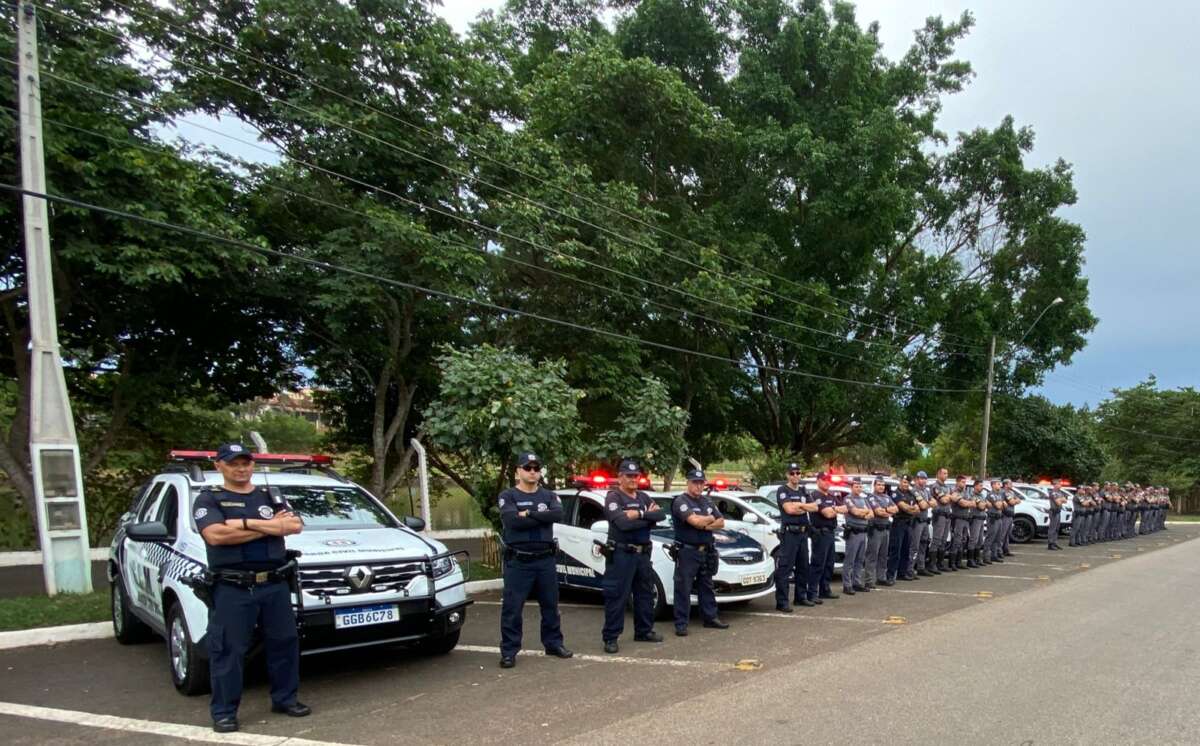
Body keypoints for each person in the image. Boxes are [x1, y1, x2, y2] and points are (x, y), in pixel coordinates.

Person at [192, 443, 308, 734]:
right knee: (228, 651)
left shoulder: (269, 494)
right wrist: (268, 525)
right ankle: (224, 712)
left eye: (246, 463)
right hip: (233, 587)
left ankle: (285, 699)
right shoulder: (209, 498)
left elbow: (294, 526)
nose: (241, 469)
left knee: (284, 643)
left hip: (274, 583)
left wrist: (242, 523)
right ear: (219, 465)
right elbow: (217, 535)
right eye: (233, 464)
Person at [497, 452, 572, 668]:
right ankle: (509, 650)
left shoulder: (549, 496)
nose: (532, 472)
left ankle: (553, 643)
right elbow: (512, 521)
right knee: (513, 608)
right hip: (519, 561)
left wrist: (527, 514)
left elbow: (557, 515)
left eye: (536, 468)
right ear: (517, 471)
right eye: (527, 468)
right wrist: (539, 516)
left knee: (550, 605)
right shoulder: (508, 495)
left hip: (545, 560)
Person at [601, 459, 666, 654]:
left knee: (644, 594)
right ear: (620, 477)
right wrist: (646, 517)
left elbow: (660, 516)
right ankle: (611, 637)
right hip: (622, 554)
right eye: (628, 476)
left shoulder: (644, 496)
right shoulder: (614, 497)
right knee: (617, 596)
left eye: (635, 475)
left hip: (643, 554)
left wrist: (637, 514)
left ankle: (644, 631)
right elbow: (621, 523)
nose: (633, 479)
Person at [671, 469, 730, 635]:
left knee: (707, 586)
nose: (698, 486)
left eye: (701, 483)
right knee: (683, 588)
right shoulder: (681, 501)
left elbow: (721, 522)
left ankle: (710, 618)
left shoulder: (707, 501)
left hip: (706, 550)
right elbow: (694, 521)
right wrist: (708, 519)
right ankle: (681, 624)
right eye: (695, 482)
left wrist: (705, 523)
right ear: (688, 483)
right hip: (687, 551)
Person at [773, 462, 818, 612]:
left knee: (803, 566)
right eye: (792, 473)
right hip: (790, 534)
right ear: (787, 475)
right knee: (785, 568)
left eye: (798, 473)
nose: (795, 476)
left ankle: (800, 597)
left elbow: (815, 507)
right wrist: (802, 506)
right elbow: (789, 510)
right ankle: (782, 602)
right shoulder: (782, 490)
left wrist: (799, 505)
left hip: (803, 533)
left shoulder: (804, 490)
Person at [805, 473, 843, 603]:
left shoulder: (831, 495)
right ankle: (812, 593)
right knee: (818, 564)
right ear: (818, 481)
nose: (827, 482)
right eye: (824, 480)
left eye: (828, 480)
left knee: (829, 563)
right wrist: (834, 510)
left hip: (831, 532)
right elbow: (826, 514)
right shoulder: (814, 496)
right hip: (820, 533)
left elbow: (845, 508)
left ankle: (825, 590)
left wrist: (834, 509)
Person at [864, 479, 896, 589]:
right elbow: (878, 512)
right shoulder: (871, 497)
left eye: (883, 485)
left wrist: (885, 510)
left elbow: (896, 509)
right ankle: (869, 580)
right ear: (874, 486)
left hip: (886, 529)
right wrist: (888, 510)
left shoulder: (887, 497)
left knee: (883, 555)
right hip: (876, 529)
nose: (881, 487)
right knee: (872, 555)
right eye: (879, 485)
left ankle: (881, 578)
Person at [842, 479, 872, 594]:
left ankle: (857, 582)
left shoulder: (863, 499)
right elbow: (855, 512)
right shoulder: (848, 499)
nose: (858, 488)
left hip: (863, 532)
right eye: (856, 486)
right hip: (853, 532)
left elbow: (872, 514)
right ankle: (847, 585)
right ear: (852, 487)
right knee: (850, 560)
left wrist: (863, 513)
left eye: (860, 486)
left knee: (860, 560)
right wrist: (864, 512)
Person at [887, 476, 917, 582]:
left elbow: (917, 509)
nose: (905, 484)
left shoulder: (910, 494)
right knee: (896, 550)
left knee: (906, 549)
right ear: (900, 482)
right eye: (904, 482)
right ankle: (890, 574)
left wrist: (910, 509)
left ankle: (902, 573)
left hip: (908, 524)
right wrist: (910, 508)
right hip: (898, 524)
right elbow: (903, 507)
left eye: (907, 483)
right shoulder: (895, 493)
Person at [909, 472, 939, 576]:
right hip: (917, 522)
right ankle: (910, 568)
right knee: (914, 546)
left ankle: (921, 567)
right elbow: (922, 505)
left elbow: (934, 503)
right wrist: (928, 503)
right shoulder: (914, 491)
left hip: (925, 521)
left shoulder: (926, 491)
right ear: (916, 479)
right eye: (921, 479)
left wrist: (928, 503)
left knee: (924, 544)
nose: (924, 481)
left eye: (925, 479)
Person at [929, 468, 954, 572]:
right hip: (939, 516)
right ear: (938, 474)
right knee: (936, 540)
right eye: (944, 473)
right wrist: (949, 496)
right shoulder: (935, 486)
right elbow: (943, 500)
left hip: (947, 515)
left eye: (947, 473)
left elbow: (954, 498)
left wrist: (948, 497)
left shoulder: (947, 487)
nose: (946, 475)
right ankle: (932, 564)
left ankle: (940, 564)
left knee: (944, 541)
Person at [949, 475, 974, 570]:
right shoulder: (954, 491)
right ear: (957, 482)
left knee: (963, 540)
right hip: (958, 518)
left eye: (965, 482)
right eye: (963, 482)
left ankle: (959, 562)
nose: (965, 484)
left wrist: (967, 503)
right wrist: (967, 503)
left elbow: (973, 503)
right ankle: (952, 563)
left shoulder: (966, 492)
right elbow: (963, 503)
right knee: (956, 540)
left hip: (965, 519)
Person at [967, 477, 989, 567]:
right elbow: (981, 506)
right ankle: (970, 560)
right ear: (975, 486)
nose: (982, 487)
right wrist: (984, 504)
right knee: (974, 539)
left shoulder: (982, 495)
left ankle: (977, 558)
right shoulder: (972, 495)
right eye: (980, 486)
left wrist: (984, 504)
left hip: (981, 519)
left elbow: (987, 505)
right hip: (975, 518)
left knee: (980, 540)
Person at [984, 478, 1005, 563]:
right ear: (993, 485)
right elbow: (999, 506)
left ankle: (994, 555)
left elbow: (1004, 506)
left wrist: (1001, 503)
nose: (999, 485)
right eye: (997, 484)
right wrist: (1001, 503)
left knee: (997, 538)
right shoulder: (991, 494)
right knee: (990, 537)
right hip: (993, 518)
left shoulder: (999, 495)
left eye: (999, 484)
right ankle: (986, 556)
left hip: (999, 517)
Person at [1046, 478, 1067, 550]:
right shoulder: (1053, 492)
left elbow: (1065, 501)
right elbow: (1058, 502)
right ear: (1055, 485)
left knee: (1057, 529)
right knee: (1052, 528)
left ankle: (1054, 542)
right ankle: (1050, 543)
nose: (1060, 485)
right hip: (1054, 512)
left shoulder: (1060, 492)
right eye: (1059, 484)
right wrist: (1061, 499)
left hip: (1058, 511)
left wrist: (1060, 499)